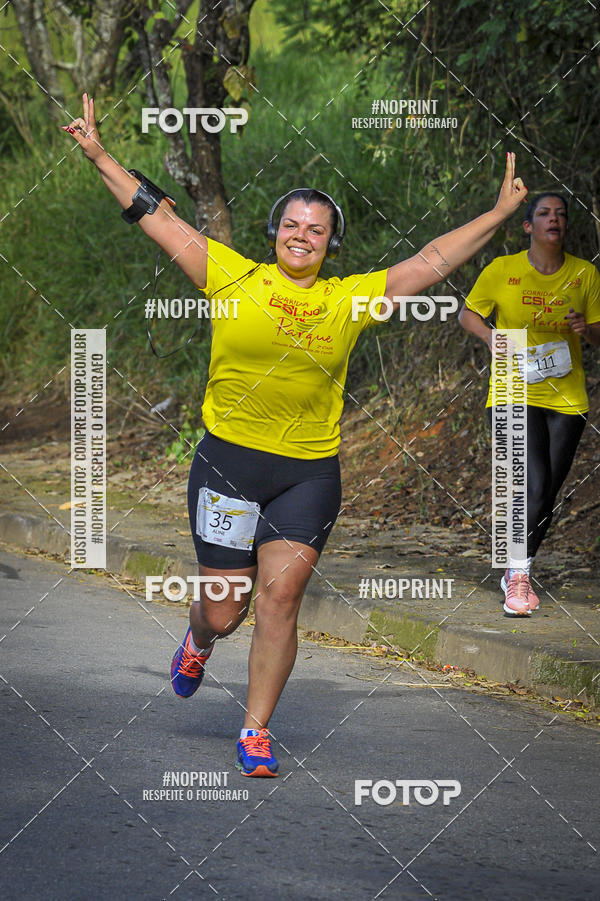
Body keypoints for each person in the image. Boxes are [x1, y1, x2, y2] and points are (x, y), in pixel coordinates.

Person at [64, 94, 527, 775]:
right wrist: (102, 155)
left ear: (331, 242)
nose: (302, 234)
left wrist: (497, 214)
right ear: (274, 230)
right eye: (292, 224)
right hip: (227, 465)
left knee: (280, 597)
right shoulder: (233, 276)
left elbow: (429, 262)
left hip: (307, 474)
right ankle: (197, 638)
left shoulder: (347, 299)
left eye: (317, 229)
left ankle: (255, 730)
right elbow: (156, 217)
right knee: (225, 612)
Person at [459, 193, 600, 616]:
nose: (553, 219)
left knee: (546, 493)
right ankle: (518, 577)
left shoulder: (585, 274)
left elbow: (597, 333)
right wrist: (490, 337)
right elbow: (468, 314)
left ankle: (516, 567)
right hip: (511, 390)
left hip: (567, 397)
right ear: (528, 226)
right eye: (543, 213)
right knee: (530, 485)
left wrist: (585, 328)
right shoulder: (502, 270)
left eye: (560, 214)